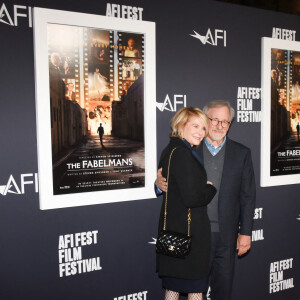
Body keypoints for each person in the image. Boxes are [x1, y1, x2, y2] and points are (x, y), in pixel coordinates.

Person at [156, 100, 256, 300]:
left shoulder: (242, 153)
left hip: (226, 236)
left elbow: (248, 195)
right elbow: (172, 179)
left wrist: (245, 232)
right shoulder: (189, 147)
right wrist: (159, 184)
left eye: (225, 122)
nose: (220, 126)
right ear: (204, 119)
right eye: (214, 120)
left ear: (230, 124)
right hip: (193, 234)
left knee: (222, 290)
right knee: (191, 288)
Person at [156, 107, 217, 300]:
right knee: (195, 290)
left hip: (176, 235)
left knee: (173, 289)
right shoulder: (183, 153)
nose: (201, 132)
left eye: (204, 128)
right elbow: (192, 198)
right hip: (190, 238)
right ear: (181, 125)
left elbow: (172, 185)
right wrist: (209, 189)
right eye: (196, 126)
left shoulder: (171, 150)